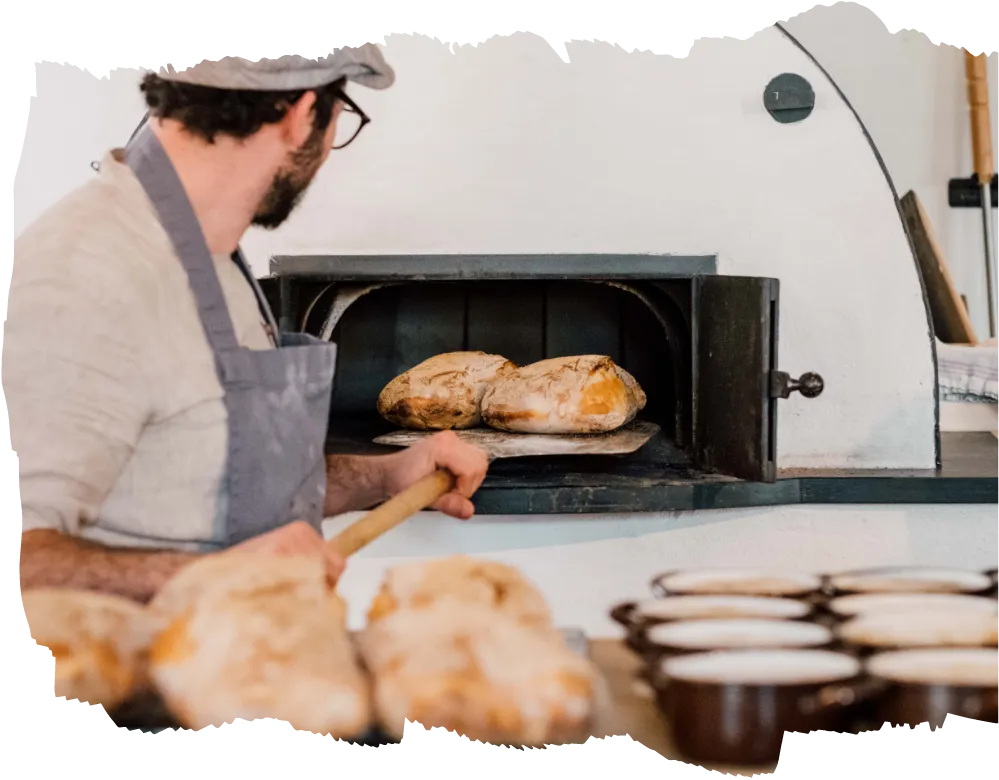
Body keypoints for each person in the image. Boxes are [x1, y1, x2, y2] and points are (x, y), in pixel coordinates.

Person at [4, 48, 490, 604]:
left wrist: (385, 477)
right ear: (301, 114)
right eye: (340, 119)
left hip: (239, 674)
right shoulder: (87, 274)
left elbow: (215, 482)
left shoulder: (213, 259)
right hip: (124, 687)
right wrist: (211, 579)